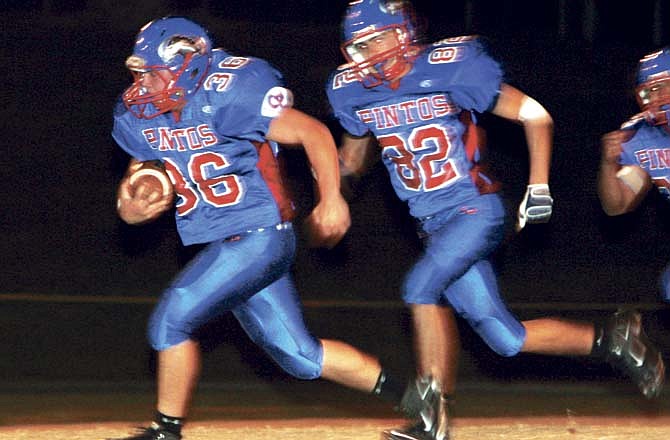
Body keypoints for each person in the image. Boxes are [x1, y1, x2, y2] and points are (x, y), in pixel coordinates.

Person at [327, 2, 666, 439]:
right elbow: (351, 159)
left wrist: (538, 186)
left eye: (378, 38)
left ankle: (433, 416)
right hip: (432, 225)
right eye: (360, 45)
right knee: (506, 339)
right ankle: (613, 340)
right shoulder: (354, 90)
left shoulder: (449, 67)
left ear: (404, 32)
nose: (369, 53)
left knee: (419, 287)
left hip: (474, 208)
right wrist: (327, 188)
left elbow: (535, 115)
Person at [109, 16, 414, 440]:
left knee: (171, 320)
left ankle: (166, 430)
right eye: (138, 74)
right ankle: (419, 399)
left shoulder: (230, 92)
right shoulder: (140, 114)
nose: (144, 85)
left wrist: (331, 197)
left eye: (153, 73)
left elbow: (313, 132)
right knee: (301, 358)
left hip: (260, 236)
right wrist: (134, 202)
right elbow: (139, 178)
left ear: (188, 65)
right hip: (229, 241)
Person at [598, 47, 670, 302]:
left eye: (662, 87)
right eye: (648, 91)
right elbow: (618, 205)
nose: (656, 98)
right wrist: (608, 164)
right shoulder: (639, 136)